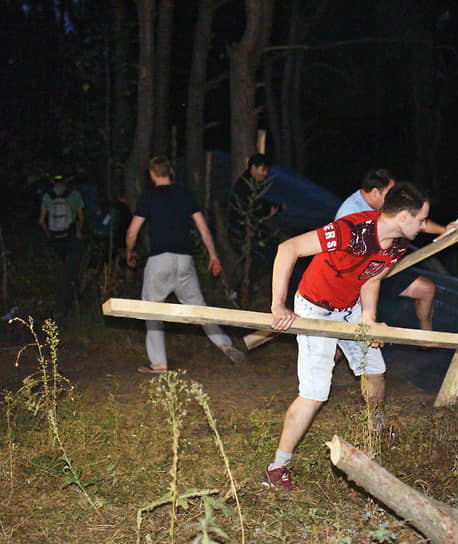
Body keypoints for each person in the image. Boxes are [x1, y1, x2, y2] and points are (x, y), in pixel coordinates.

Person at [263, 182, 430, 490]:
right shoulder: (352, 230)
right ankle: (277, 467)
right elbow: (289, 248)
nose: (423, 227)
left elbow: (372, 278)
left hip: (350, 307)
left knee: (375, 374)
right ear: (404, 216)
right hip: (314, 307)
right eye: (421, 220)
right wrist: (278, 305)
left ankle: (375, 433)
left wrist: (368, 320)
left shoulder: (398, 244)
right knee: (314, 394)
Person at [125, 156, 245, 373]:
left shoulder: (149, 197)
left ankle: (159, 363)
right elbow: (203, 228)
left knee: (152, 312)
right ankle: (224, 343)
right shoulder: (185, 194)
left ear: (152, 174)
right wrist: (213, 256)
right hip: (184, 261)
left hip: (160, 260)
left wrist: (130, 252)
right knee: (199, 307)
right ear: (170, 172)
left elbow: (133, 231)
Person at [335, 169, 458, 331]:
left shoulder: (384, 205)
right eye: (390, 192)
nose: (394, 196)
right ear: (375, 192)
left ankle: (426, 340)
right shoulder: (352, 216)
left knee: (426, 289)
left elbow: (415, 220)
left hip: (379, 270)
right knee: (349, 338)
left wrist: (445, 230)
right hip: (355, 279)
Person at [39, 174, 85, 317]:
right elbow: (81, 217)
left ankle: (65, 300)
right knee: (71, 272)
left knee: (65, 270)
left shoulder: (47, 196)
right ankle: (65, 306)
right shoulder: (75, 195)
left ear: (53, 181)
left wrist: (49, 235)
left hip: (56, 239)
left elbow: (41, 221)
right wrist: (79, 233)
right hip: (72, 238)